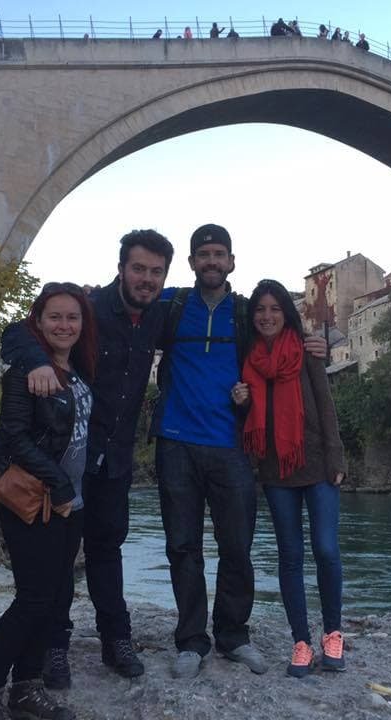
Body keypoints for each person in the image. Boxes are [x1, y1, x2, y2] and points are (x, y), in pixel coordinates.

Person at [151, 225, 327, 680]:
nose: (211, 261)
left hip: (231, 446)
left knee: (237, 548)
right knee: (182, 546)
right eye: (203, 254)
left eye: (219, 254)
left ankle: (233, 635)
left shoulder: (245, 313)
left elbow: (281, 338)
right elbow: (118, 321)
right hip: (176, 442)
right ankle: (191, 641)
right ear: (192, 263)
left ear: (231, 262)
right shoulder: (169, 305)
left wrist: (316, 345)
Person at [0, 230, 174, 687]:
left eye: (156, 272)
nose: (146, 279)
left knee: (107, 551)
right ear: (121, 269)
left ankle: (116, 640)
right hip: (70, 458)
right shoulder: (90, 308)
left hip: (115, 462)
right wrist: (38, 361)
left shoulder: (162, 314)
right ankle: (55, 648)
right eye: (138, 268)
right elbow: (17, 331)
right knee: (60, 560)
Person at [0, 283, 97, 720]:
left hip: (69, 503)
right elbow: (16, 436)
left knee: (56, 598)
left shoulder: (76, 371)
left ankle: (26, 688)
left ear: (82, 324)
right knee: (33, 598)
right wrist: (58, 482)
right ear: (37, 322)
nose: (64, 325)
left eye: (72, 317)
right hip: (35, 499)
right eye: (54, 317)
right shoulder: (27, 370)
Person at [231, 280, 346, 679]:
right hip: (276, 470)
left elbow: (326, 408)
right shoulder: (248, 361)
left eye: (274, 309)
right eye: (260, 310)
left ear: (286, 313)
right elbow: (251, 422)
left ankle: (333, 632)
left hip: (316, 464)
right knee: (290, 556)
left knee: (326, 550)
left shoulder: (307, 351)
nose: (266, 316)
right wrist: (241, 402)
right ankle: (301, 641)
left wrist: (337, 457)